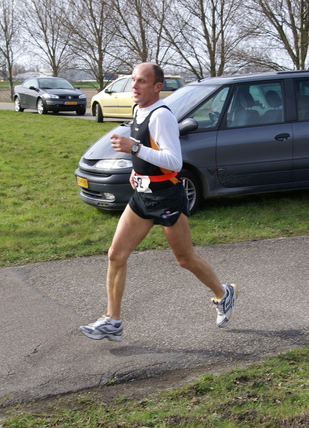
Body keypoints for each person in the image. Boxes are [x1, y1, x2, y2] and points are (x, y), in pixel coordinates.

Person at [79, 63, 237, 341]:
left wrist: (134, 148)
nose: (134, 86)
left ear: (157, 87)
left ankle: (223, 294)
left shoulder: (161, 116)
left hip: (166, 196)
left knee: (184, 258)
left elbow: (174, 162)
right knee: (116, 255)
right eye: (132, 80)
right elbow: (147, 151)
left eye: (141, 81)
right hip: (143, 195)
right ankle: (112, 320)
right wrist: (135, 170)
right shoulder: (139, 110)